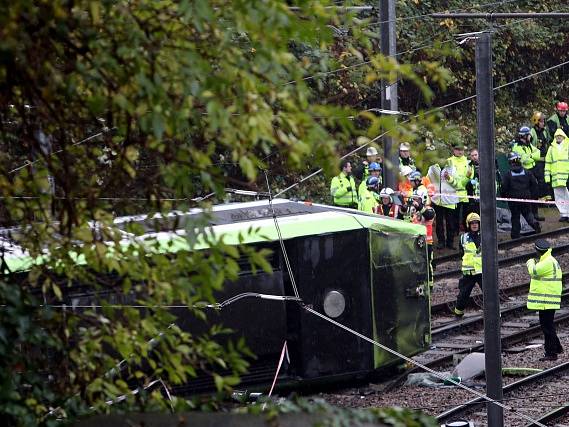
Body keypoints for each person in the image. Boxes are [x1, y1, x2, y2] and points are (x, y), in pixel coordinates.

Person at [526, 239, 563, 361]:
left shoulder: (547, 262)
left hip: (547, 300)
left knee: (547, 327)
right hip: (547, 300)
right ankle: (557, 347)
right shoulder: (550, 260)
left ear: (537, 251)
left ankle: (551, 353)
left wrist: (530, 262)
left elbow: (534, 271)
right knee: (548, 325)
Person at [501, 152, 541, 239]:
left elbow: (504, 187)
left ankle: (515, 235)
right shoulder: (527, 172)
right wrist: (532, 196)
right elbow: (534, 184)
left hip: (513, 199)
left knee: (515, 217)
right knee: (527, 213)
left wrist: (503, 197)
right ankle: (534, 223)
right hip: (526, 197)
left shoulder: (508, 174)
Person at [453, 213, 482, 317]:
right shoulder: (463, 238)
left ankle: (494, 313)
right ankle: (458, 313)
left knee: (489, 294)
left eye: (476, 223)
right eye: (472, 223)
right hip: (469, 272)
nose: (474, 225)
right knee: (463, 294)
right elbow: (461, 253)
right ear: (468, 224)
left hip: (482, 271)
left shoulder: (484, 236)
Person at [512, 126, 543, 221]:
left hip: (533, 170)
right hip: (524, 172)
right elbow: (524, 160)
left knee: (535, 192)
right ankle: (529, 215)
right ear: (525, 136)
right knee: (527, 194)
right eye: (529, 135)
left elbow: (538, 153)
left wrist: (530, 156)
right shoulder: (517, 147)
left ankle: (535, 213)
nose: (530, 136)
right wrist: (531, 156)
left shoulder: (529, 145)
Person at [443, 143, 473, 239]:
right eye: (457, 149)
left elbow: (469, 175)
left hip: (464, 193)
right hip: (453, 193)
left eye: (462, 150)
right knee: (453, 216)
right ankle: (454, 233)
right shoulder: (449, 161)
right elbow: (447, 177)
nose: (460, 152)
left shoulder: (467, 161)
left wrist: (462, 183)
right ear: (453, 150)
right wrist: (458, 183)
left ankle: (466, 232)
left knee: (465, 214)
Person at [545, 129, 569, 221]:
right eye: (557, 136)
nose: (558, 137)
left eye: (560, 136)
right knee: (558, 196)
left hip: (566, 177)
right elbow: (548, 163)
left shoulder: (567, 146)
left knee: (567, 195)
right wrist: (547, 177)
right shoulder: (551, 148)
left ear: (563, 137)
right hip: (555, 177)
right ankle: (564, 214)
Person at [530, 111, 553, 200]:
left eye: (543, 121)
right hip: (537, 161)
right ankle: (541, 197)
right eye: (541, 121)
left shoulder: (544, 132)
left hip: (545, 160)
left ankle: (547, 197)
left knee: (547, 179)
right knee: (541, 179)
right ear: (536, 122)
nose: (543, 123)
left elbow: (549, 141)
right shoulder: (532, 133)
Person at [465, 148, 480, 216]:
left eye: (475, 155)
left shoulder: (485, 165)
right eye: (472, 155)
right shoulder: (469, 166)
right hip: (472, 196)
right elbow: (465, 182)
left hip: (483, 195)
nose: (474, 157)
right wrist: (470, 182)